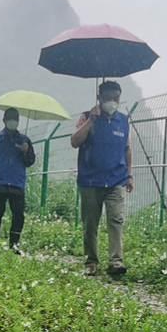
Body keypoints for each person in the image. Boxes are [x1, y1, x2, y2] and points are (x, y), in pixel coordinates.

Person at [70, 81, 134, 276]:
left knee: (116, 219)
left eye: (116, 98)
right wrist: (91, 121)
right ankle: (91, 261)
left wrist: (129, 174)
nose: (113, 102)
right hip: (90, 180)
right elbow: (75, 141)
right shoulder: (86, 117)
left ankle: (116, 261)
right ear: (99, 98)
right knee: (90, 223)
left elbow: (127, 148)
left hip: (117, 179)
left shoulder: (123, 121)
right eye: (109, 98)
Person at [0, 108, 36, 254]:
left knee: (18, 214)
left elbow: (30, 161)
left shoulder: (25, 141)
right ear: (4, 121)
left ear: (19, 121)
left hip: (17, 182)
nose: (13, 122)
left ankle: (14, 243)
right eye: (10, 119)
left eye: (15, 119)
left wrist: (26, 152)